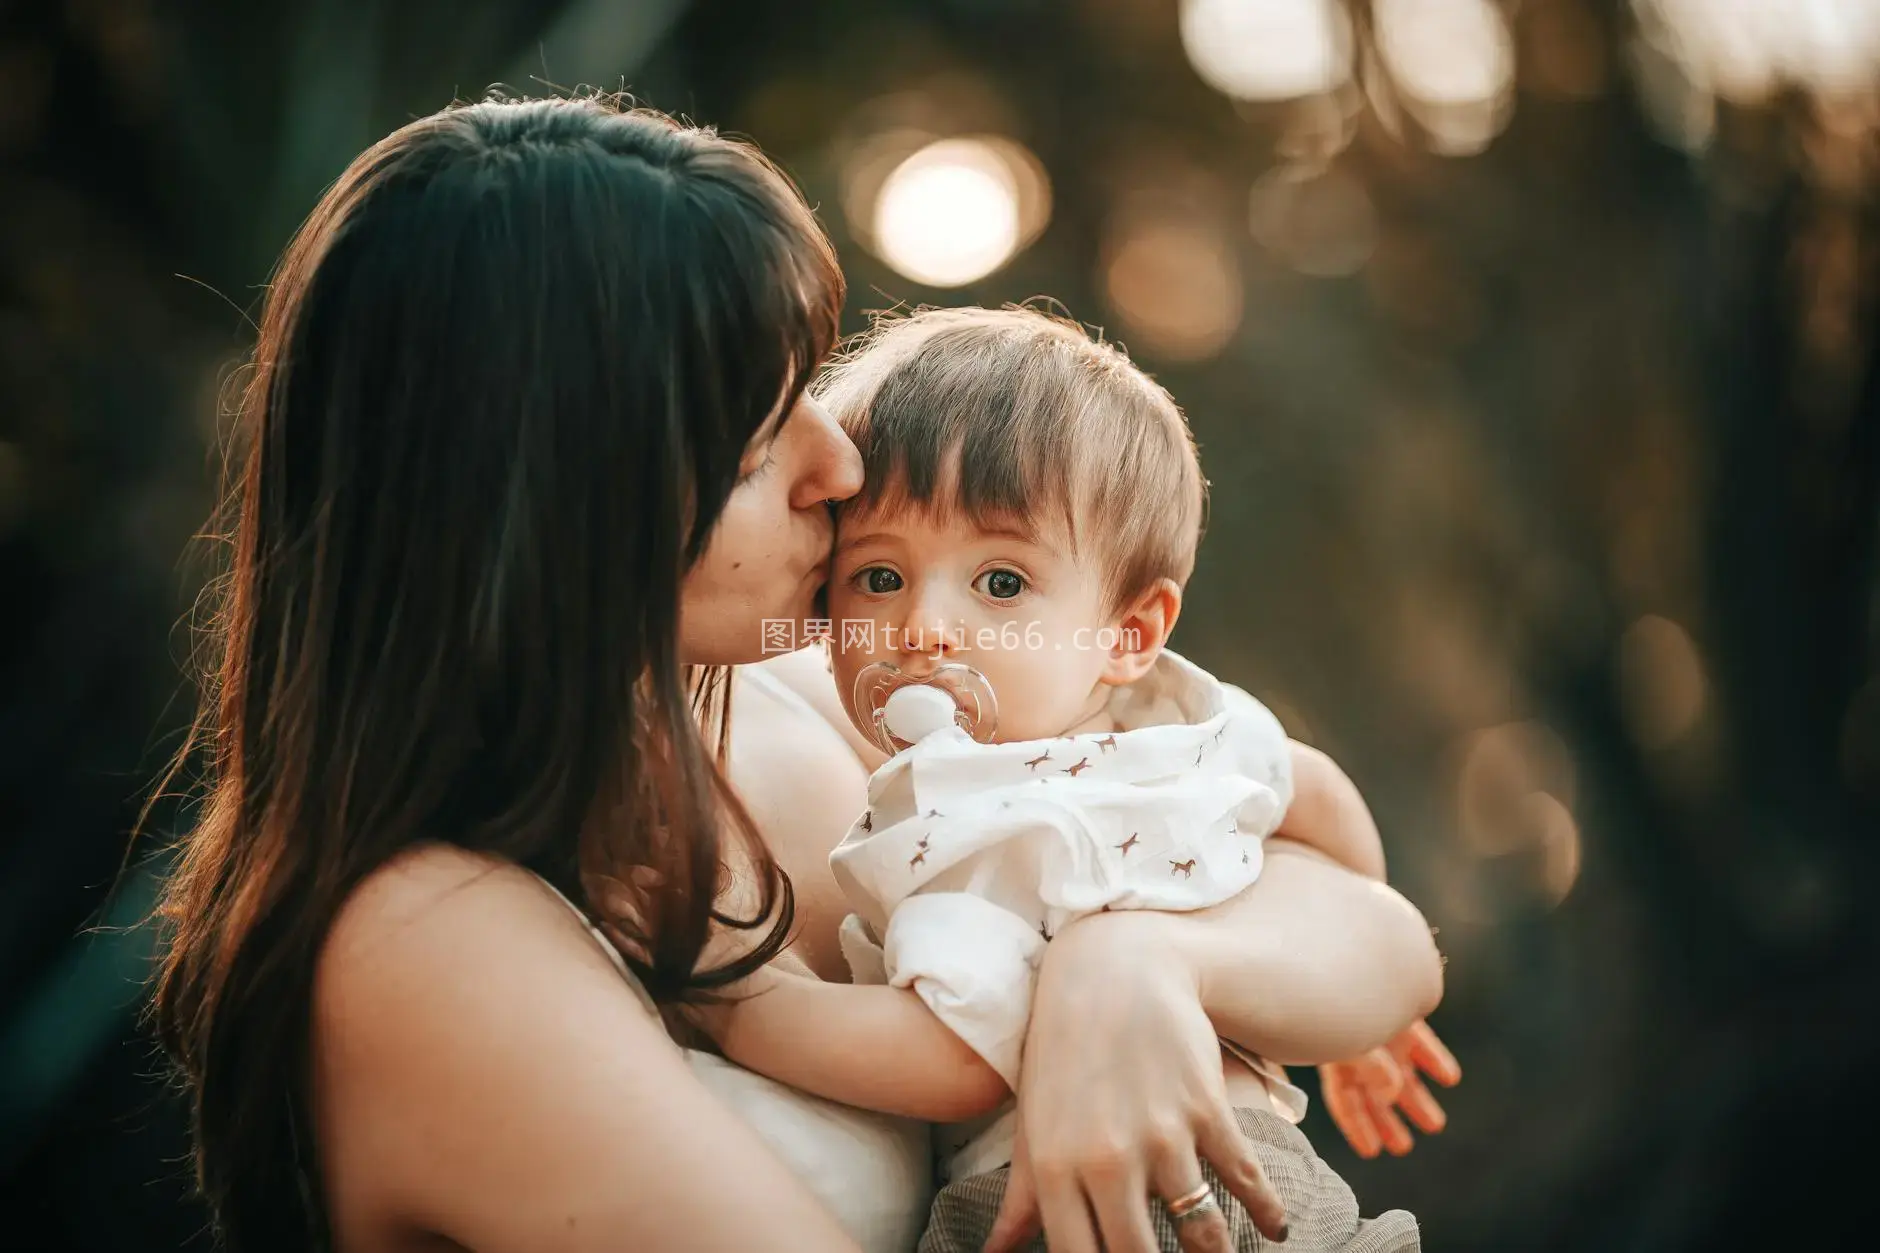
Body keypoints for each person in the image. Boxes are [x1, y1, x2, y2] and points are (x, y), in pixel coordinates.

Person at [147, 94, 1447, 1253]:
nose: (840, 464)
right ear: (572, 500)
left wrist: (1137, 966)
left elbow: (1374, 928)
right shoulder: (430, 942)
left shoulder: (835, 704)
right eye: (768, 433)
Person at [691, 307, 1444, 1251]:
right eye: (877, 578)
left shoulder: (960, 814)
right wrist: (1332, 1014)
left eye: (1001, 583)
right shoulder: (1189, 725)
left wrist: (743, 1006)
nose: (925, 626)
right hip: (1276, 1192)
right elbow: (1315, 792)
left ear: (1128, 632)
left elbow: (954, 1060)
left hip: (1075, 1203)